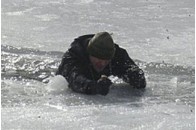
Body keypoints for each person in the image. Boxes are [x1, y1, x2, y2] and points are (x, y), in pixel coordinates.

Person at [56, 32, 146, 96]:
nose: (102, 63)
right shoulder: (74, 56)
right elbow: (75, 80)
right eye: (98, 59)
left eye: (106, 60)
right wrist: (94, 87)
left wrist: (135, 76)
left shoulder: (117, 54)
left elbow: (133, 71)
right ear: (89, 54)